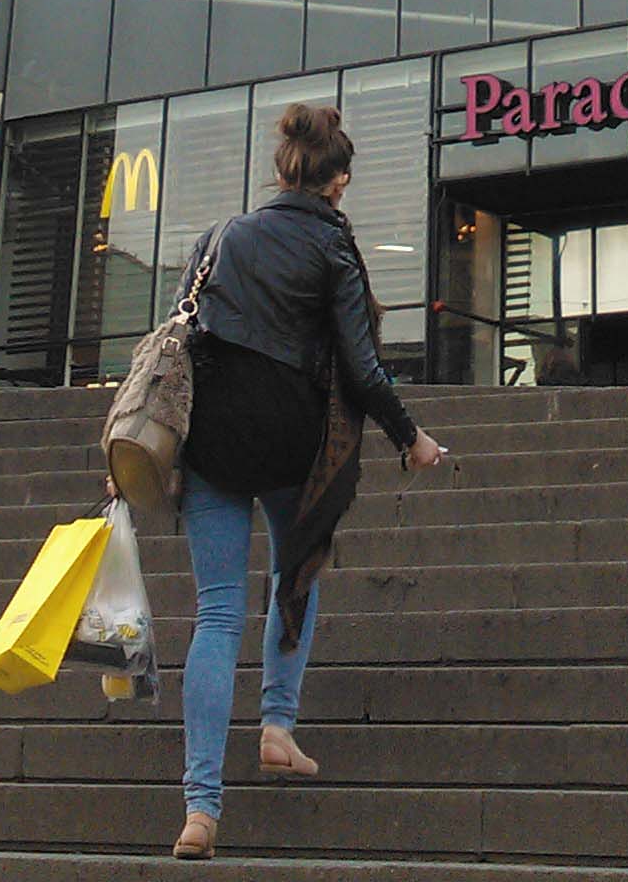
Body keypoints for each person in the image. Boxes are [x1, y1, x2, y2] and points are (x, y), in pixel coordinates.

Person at [169, 101, 447, 862]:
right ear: (339, 181)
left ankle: (200, 808)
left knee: (216, 615)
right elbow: (360, 367)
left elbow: (176, 344)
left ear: (284, 168)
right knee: (298, 573)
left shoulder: (219, 236)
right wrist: (410, 437)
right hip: (294, 447)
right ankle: (277, 726)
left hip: (210, 446)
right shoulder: (334, 249)